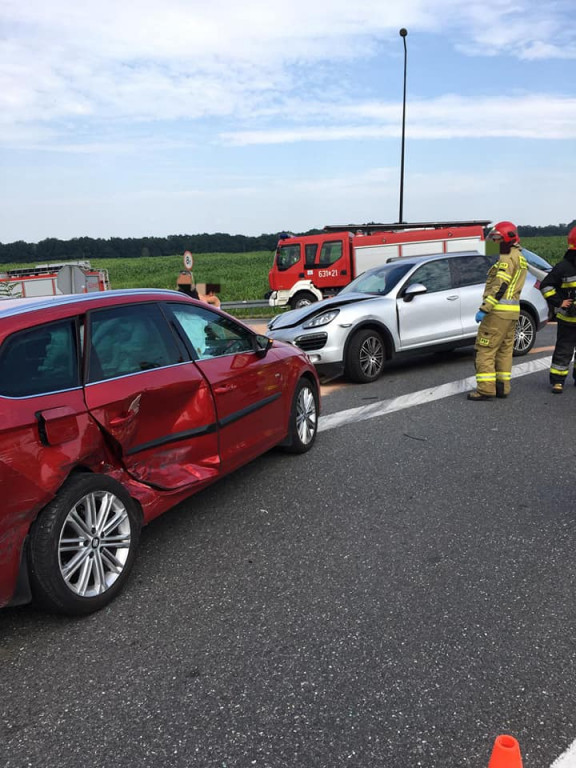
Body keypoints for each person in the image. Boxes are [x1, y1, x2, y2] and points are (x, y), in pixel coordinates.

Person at [467, 221, 528, 401]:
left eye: (497, 238)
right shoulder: (520, 256)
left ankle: (485, 390)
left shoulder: (506, 257)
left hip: (497, 313)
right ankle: (502, 387)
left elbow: (500, 286)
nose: (494, 242)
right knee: (504, 351)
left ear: (507, 238)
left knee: (484, 349)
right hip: (512, 313)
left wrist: (485, 309)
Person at [538, 226, 576, 393]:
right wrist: (559, 302)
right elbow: (546, 285)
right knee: (563, 350)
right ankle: (558, 381)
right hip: (568, 319)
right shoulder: (563, 267)